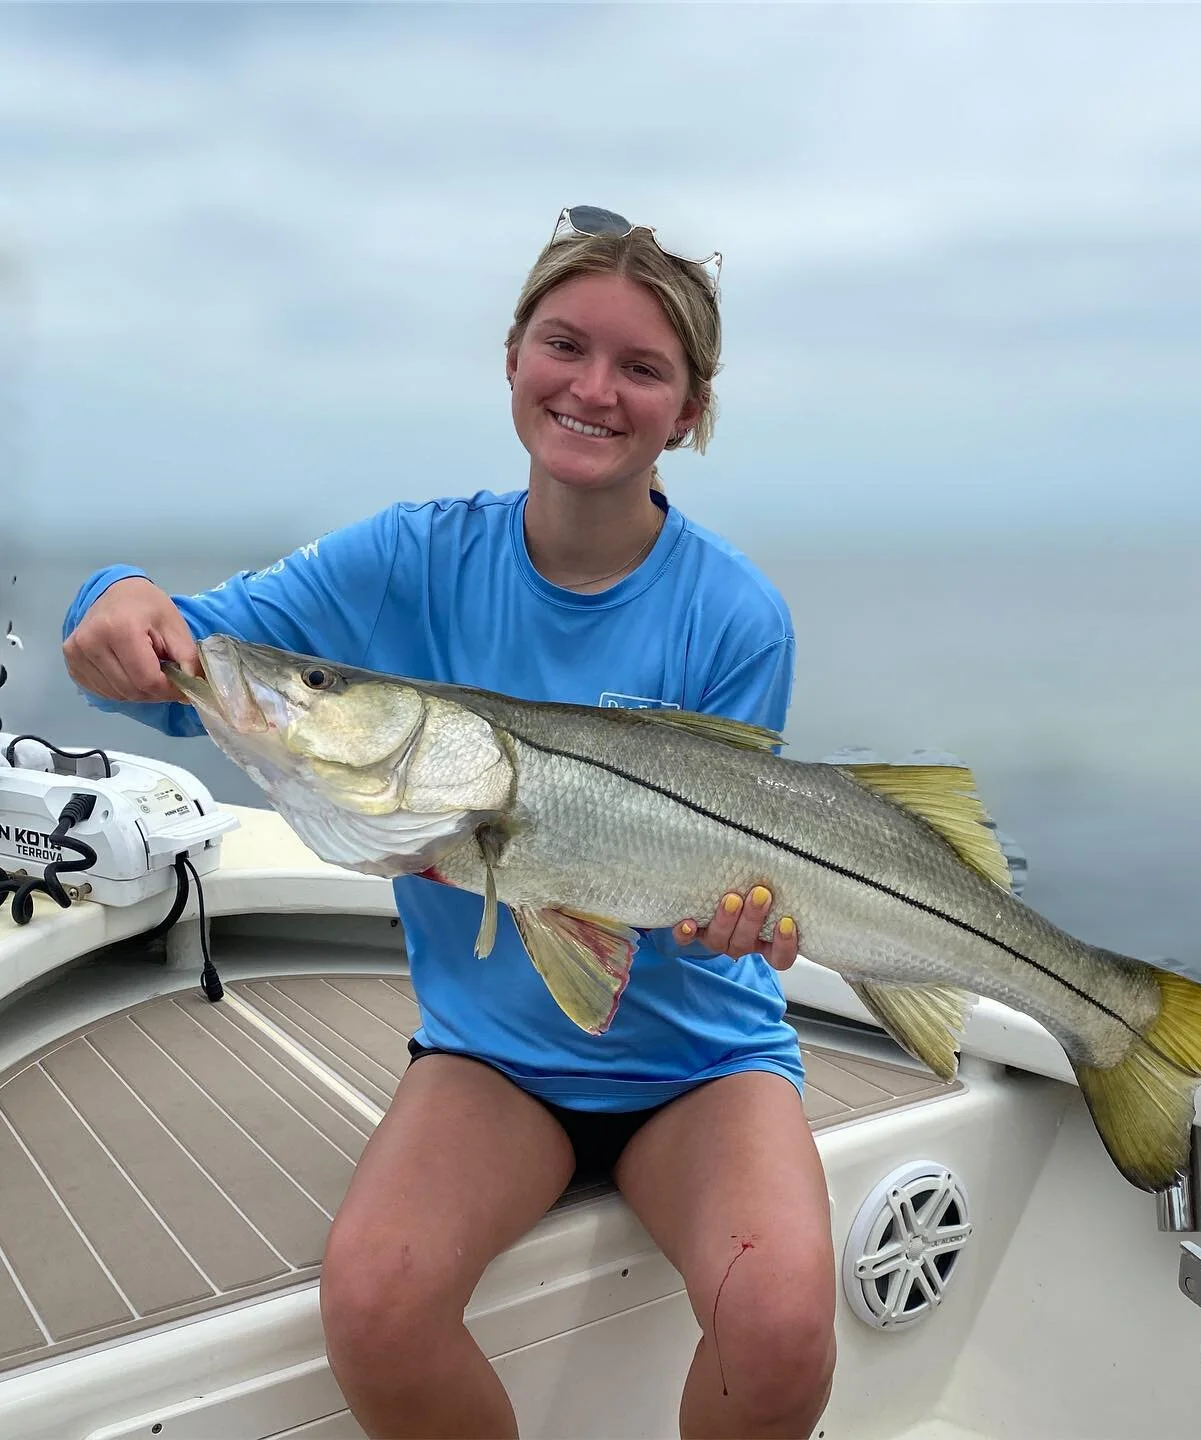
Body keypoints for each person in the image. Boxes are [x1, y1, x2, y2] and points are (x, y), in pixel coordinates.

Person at [60, 206, 837, 1440]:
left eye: (643, 367)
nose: (594, 388)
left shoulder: (737, 615)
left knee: (784, 1321)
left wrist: (736, 923)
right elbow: (196, 665)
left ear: (689, 412)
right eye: (564, 345)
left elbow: (712, 888)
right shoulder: (407, 559)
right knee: (375, 1304)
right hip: (496, 1061)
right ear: (513, 356)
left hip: (702, 1063)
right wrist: (116, 598)